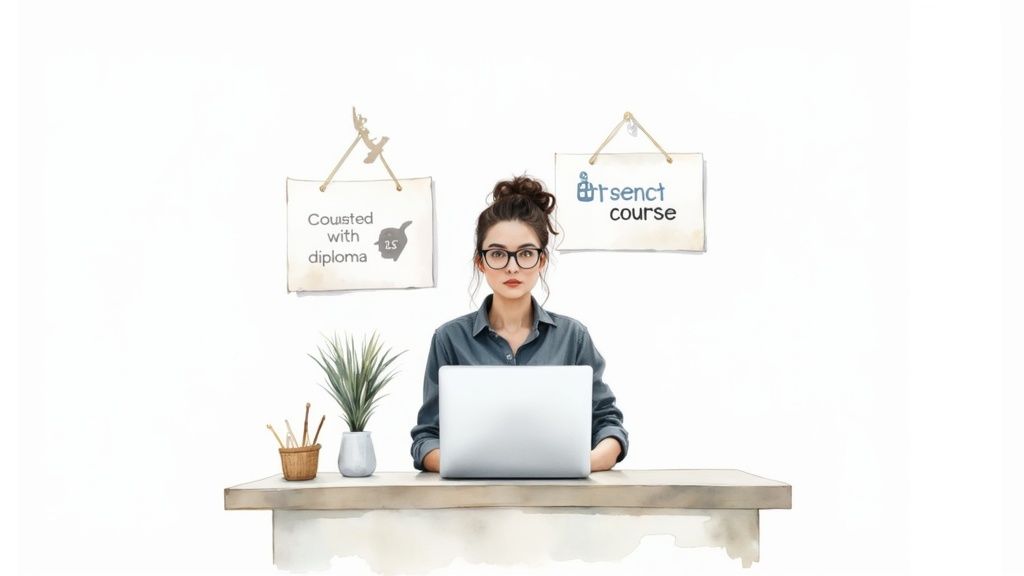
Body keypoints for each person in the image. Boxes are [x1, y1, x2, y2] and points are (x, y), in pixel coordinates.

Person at [409, 175, 629, 473]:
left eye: (526, 253)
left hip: (560, 501)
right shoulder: (449, 339)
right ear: (480, 262)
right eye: (498, 254)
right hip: (474, 503)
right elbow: (426, 438)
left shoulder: (572, 337)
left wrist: (584, 464)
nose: (512, 266)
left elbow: (608, 425)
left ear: (541, 261)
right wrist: (465, 465)